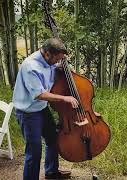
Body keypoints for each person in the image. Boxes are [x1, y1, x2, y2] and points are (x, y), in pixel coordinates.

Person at [13, 38, 78, 180]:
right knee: (34, 150)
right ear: (48, 53)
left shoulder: (49, 60)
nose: (57, 62)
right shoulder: (30, 66)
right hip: (28, 112)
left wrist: (61, 67)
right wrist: (64, 98)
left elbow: (55, 67)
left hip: (41, 109)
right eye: (56, 59)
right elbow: (39, 95)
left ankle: (51, 172)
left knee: (53, 139)